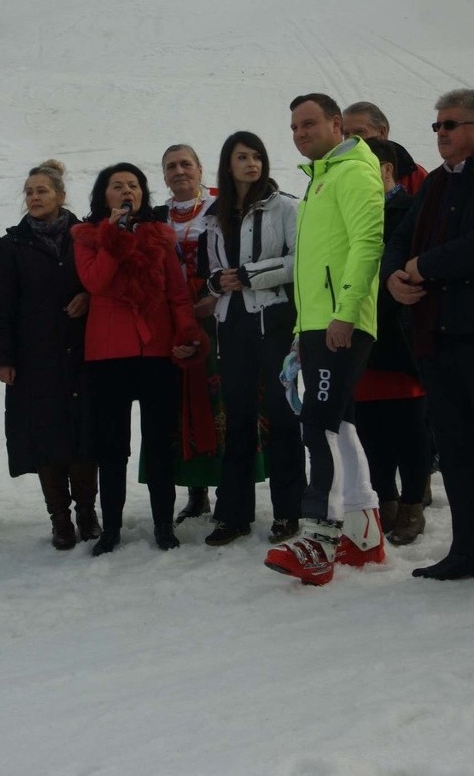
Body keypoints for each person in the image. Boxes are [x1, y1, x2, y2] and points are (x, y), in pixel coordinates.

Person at [382, 88, 474, 586]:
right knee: (455, 445)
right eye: (437, 126)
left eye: (450, 124)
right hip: (436, 333)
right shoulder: (434, 185)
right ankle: (469, 549)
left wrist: (422, 268)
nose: (441, 133)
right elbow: (399, 238)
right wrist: (393, 278)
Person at [264, 94, 385, 586]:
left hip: (341, 322)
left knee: (320, 428)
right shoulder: (320, 180)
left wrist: (346, 313)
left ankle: (319, 536)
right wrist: (299, 334)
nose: (300, 133)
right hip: (317, 325)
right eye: (294, 127)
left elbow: (368, 243)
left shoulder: (354, 172)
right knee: (341, 424)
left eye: (309, 123)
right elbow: (314, 268)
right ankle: (364, 531)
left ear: (337, 124)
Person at [72, 163, 211, 555]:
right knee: (112, 446)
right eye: (117, 186)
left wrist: (186, 334)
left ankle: (164, 526)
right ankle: (111, 529)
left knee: (158, 443)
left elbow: (178, 293)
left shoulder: (159, 236)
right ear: (104, 196)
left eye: (133, 185)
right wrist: (113, 236)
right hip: (107, 355)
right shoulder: (86, 237)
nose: (126, 191)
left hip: (156, 352)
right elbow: (95, 281)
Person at [198, 132, 305, 546]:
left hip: (274, 321)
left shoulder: (286, 208)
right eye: (242, 157)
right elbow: (212, 269)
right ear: (228, 164)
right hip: (233, 324)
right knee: (238, 419)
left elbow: (301, 260)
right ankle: (233, 515)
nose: (252, 164)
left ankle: (289, 511)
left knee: (281, 417)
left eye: (257, 156)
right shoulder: (214, 215)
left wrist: (249, 276)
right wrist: (217, 281)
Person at [0, 161, 99, 550]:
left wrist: (89, 296)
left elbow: (102, 280)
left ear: (61, 196)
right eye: (30, 192)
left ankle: (88, 512)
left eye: (42, 191)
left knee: (84, 434)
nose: (34, 198)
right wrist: (2, 358)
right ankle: (60, 519)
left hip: (82, 352)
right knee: (45, 438)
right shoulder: (11, 245)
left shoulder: (85, 236)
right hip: (35, 357)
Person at [352, 138, 429, 546]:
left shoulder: (412, 210)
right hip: (360, 330)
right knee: (370, 426)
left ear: (385, 171)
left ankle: (414, 501)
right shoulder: (351, 210)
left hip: (401, 332)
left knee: (410, 426)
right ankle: (387, 498)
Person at [153, 143, 219, 522]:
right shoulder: (157, 216)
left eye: (186, 164)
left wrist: (212, 296)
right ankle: (197, 492)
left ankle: (229, 485)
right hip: (173, 322)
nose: (179, 171)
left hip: (217, 317)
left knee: (219, 399)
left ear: (199, 169)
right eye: (171, 166)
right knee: (181, 404)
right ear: (164, 175)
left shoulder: (219, 209)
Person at [342, 102, 428, 195]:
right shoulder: (337, 172)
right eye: (346, 134)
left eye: (359, 132)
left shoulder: (414, 175)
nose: (351, 140)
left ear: (382, 132)